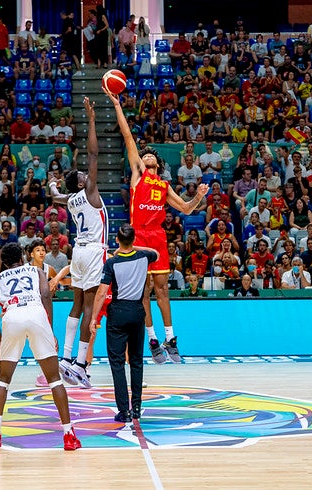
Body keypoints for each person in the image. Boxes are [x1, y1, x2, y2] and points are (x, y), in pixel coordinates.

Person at [106, 84, 209, 365]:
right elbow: (128, 137)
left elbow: (187, 210)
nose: (146, 154)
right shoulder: (138, 175)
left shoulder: (164, 184)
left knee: (162, 289)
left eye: (150, 154)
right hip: (138, 236)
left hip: (158, 237)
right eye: (144, 153)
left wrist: (198, 197)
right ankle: (152, 339)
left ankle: (170, 338)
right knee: (143, 291)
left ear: (158, 163)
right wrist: (117, 105)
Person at [0, 242, 81, 450]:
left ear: (3, 262)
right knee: (54, 379)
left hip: (12, 316)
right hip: (36, 313)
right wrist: (50, 329)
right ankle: (68, 435)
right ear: (21, 257)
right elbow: (46, 295)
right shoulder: (36, 271)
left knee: (3, 379)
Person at [44, 97, 106, 388]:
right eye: (82, 175)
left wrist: (53, 183)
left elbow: (55, 194)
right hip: (93, 250)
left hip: (78, 251)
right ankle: (80, 364)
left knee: (77, 304)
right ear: (82, 182)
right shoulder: (89, 191)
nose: (86, 174)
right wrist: (92, 119)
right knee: (90, 307)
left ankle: (66, 358)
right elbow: (94, 155)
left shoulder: (69, 199)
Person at [90, 224, 157, 423]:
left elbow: (102, 292)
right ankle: (136, 406)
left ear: (117, 240)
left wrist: (94, 318)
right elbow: (155, 254)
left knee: (117, 363)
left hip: (118, 312)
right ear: (134, 240)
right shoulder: (143, 257)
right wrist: (133, 248)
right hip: (137, 312)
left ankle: (123, 410)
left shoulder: (112, 263)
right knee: (136, 360)